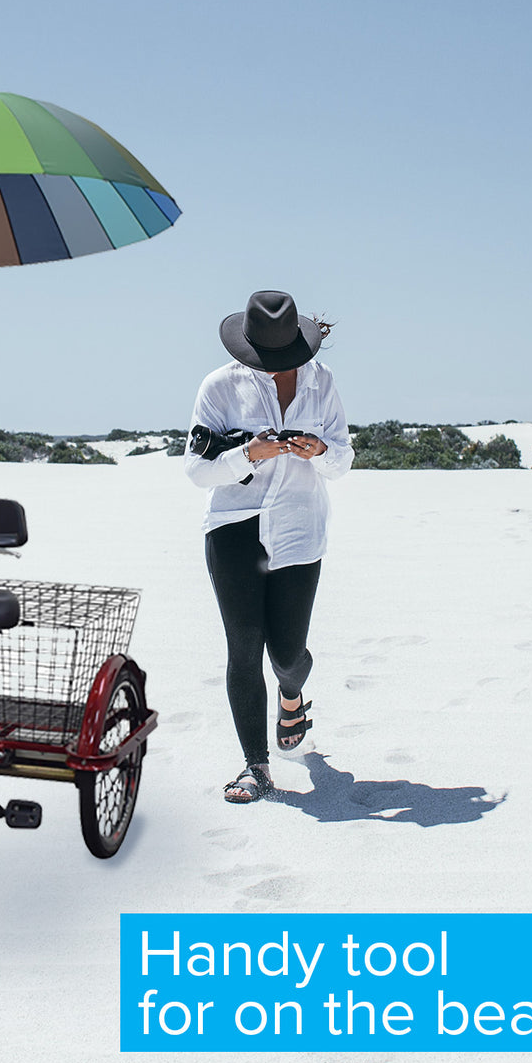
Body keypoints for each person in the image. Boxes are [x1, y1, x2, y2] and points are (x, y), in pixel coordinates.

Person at [184, 290, 353, 803]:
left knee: (286, 652)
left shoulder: (323, 384)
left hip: (301, 530)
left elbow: (343, 461)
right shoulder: (219, 386)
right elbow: (196, 469)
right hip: (234, 528)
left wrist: (320, 450)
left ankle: (292, 692)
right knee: (244, 646)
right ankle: (255, 769)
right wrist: (248, 454)